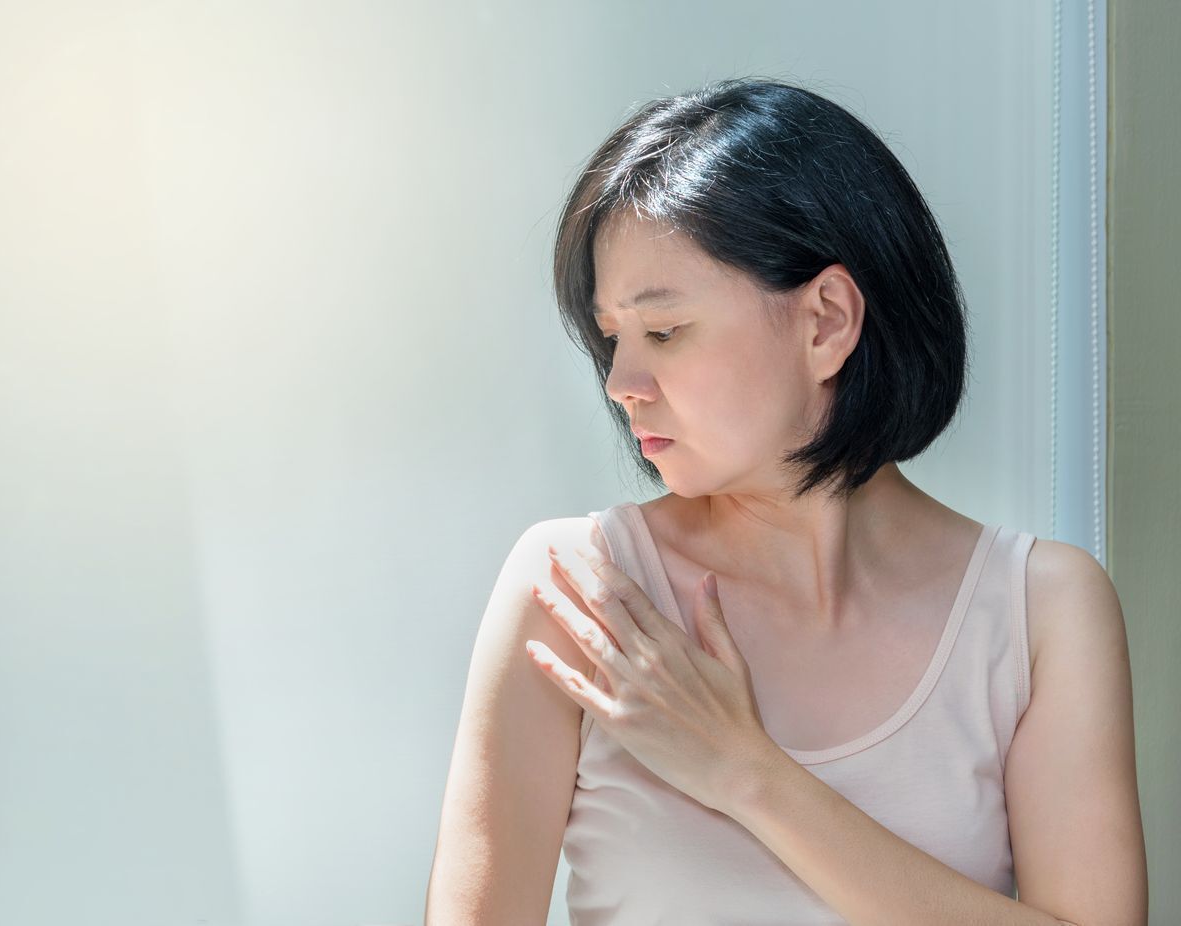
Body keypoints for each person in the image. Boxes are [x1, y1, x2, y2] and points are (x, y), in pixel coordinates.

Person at [424, 77, 1146, 925]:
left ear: (826, 320)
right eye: (612, 338)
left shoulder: (1040, 611)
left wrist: (748, 775)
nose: (622, 383)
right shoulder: (579, 593)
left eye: (664, 331)